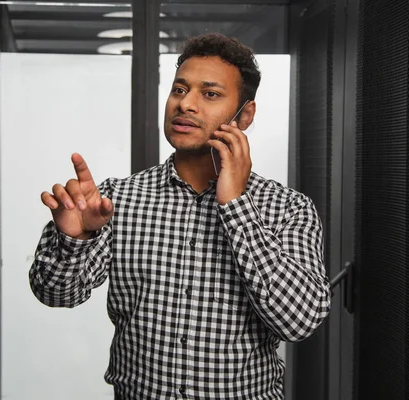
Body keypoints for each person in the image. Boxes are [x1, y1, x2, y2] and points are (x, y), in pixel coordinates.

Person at [29, 33, 330, 400]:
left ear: (245, 113)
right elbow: (56, 294)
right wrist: (75, 240)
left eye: (210, 94)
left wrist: (235, 204)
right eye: (179, 89)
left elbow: (299, 321)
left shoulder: (288, 208)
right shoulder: (116, 198)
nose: (186, 104)